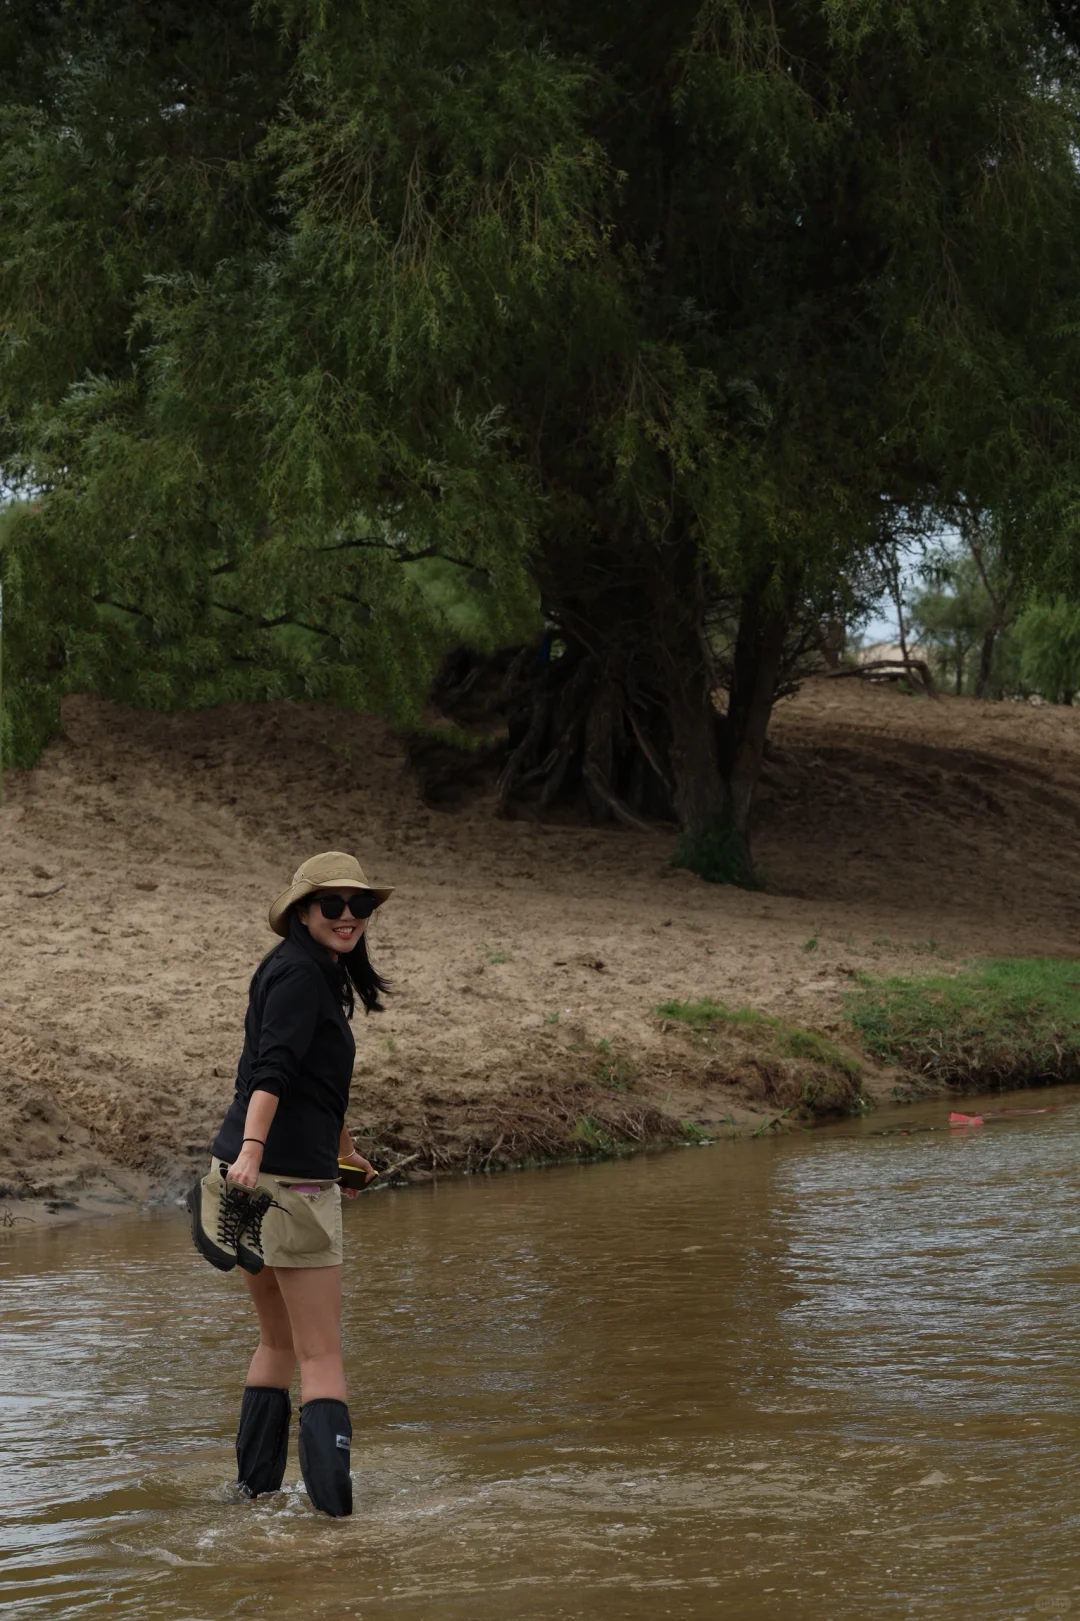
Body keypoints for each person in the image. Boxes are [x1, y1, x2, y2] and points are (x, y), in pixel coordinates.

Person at [187, 850, 393, 1518]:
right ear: (303, 911)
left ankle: (253, 1499)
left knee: (276, 1341)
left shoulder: (298, 969)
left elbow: (313, 1082)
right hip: (283, 1181)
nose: (348, 916)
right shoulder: (304, 976)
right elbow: (270, 1070)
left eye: (360, 905)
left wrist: (346, 1153)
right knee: (321, 1352)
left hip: (244, 1178)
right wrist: (255, 1151)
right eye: (332, 904)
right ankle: (336, 1522)